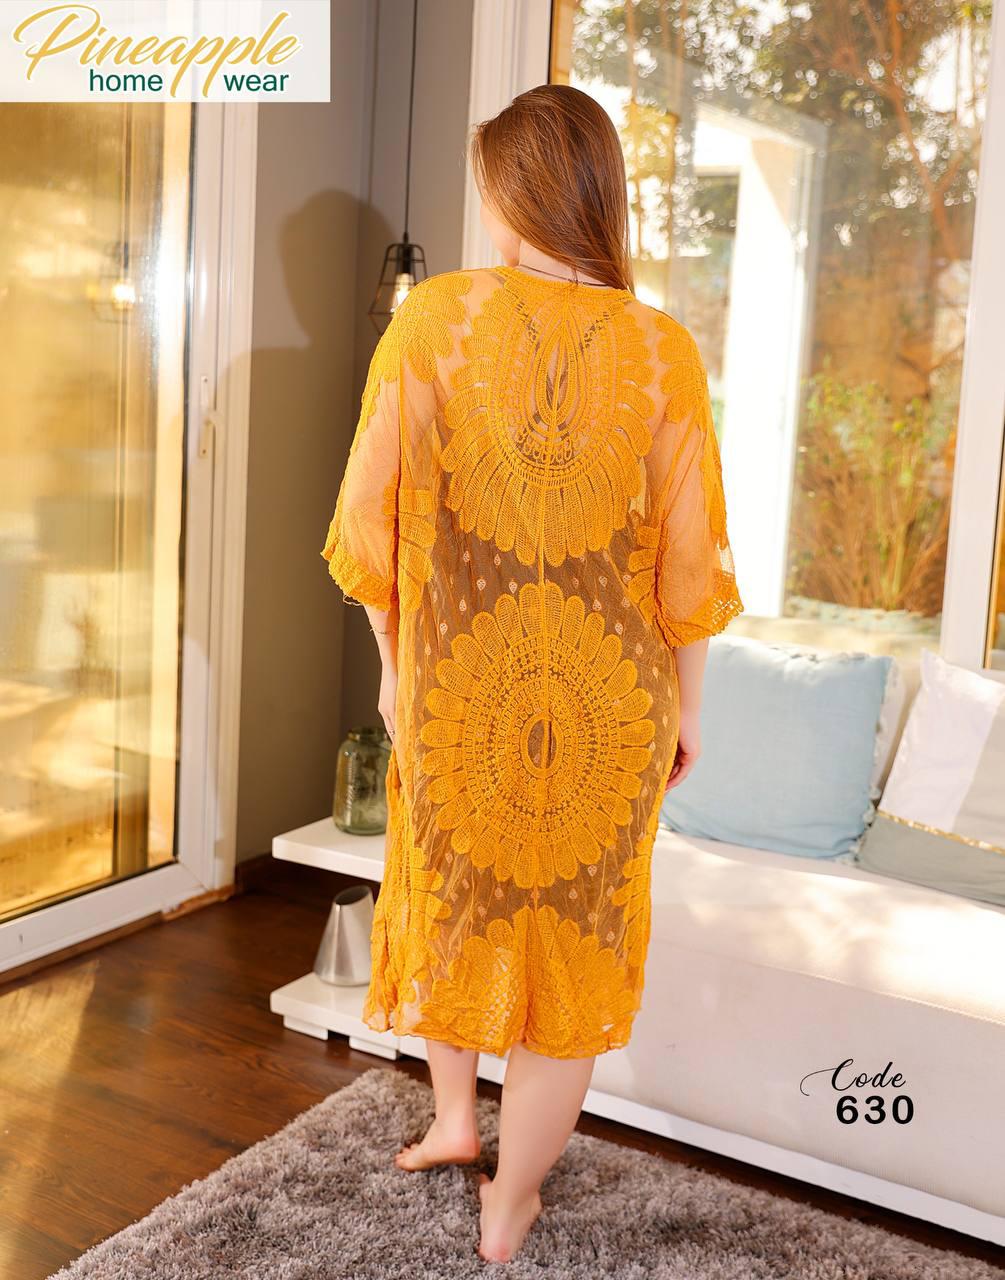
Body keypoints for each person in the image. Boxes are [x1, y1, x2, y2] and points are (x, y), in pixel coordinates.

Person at [320, 82, 743, 1264]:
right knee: (571, 954)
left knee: (448, 907)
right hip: (612, 708)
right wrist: (692, 708)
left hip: (461, 695)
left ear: (509, 192)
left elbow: (371, 527)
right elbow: (688, 558)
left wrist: (401, 672)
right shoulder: (663, 349)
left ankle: (466, 1126)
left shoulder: (434, 322)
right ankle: (500, 1181)